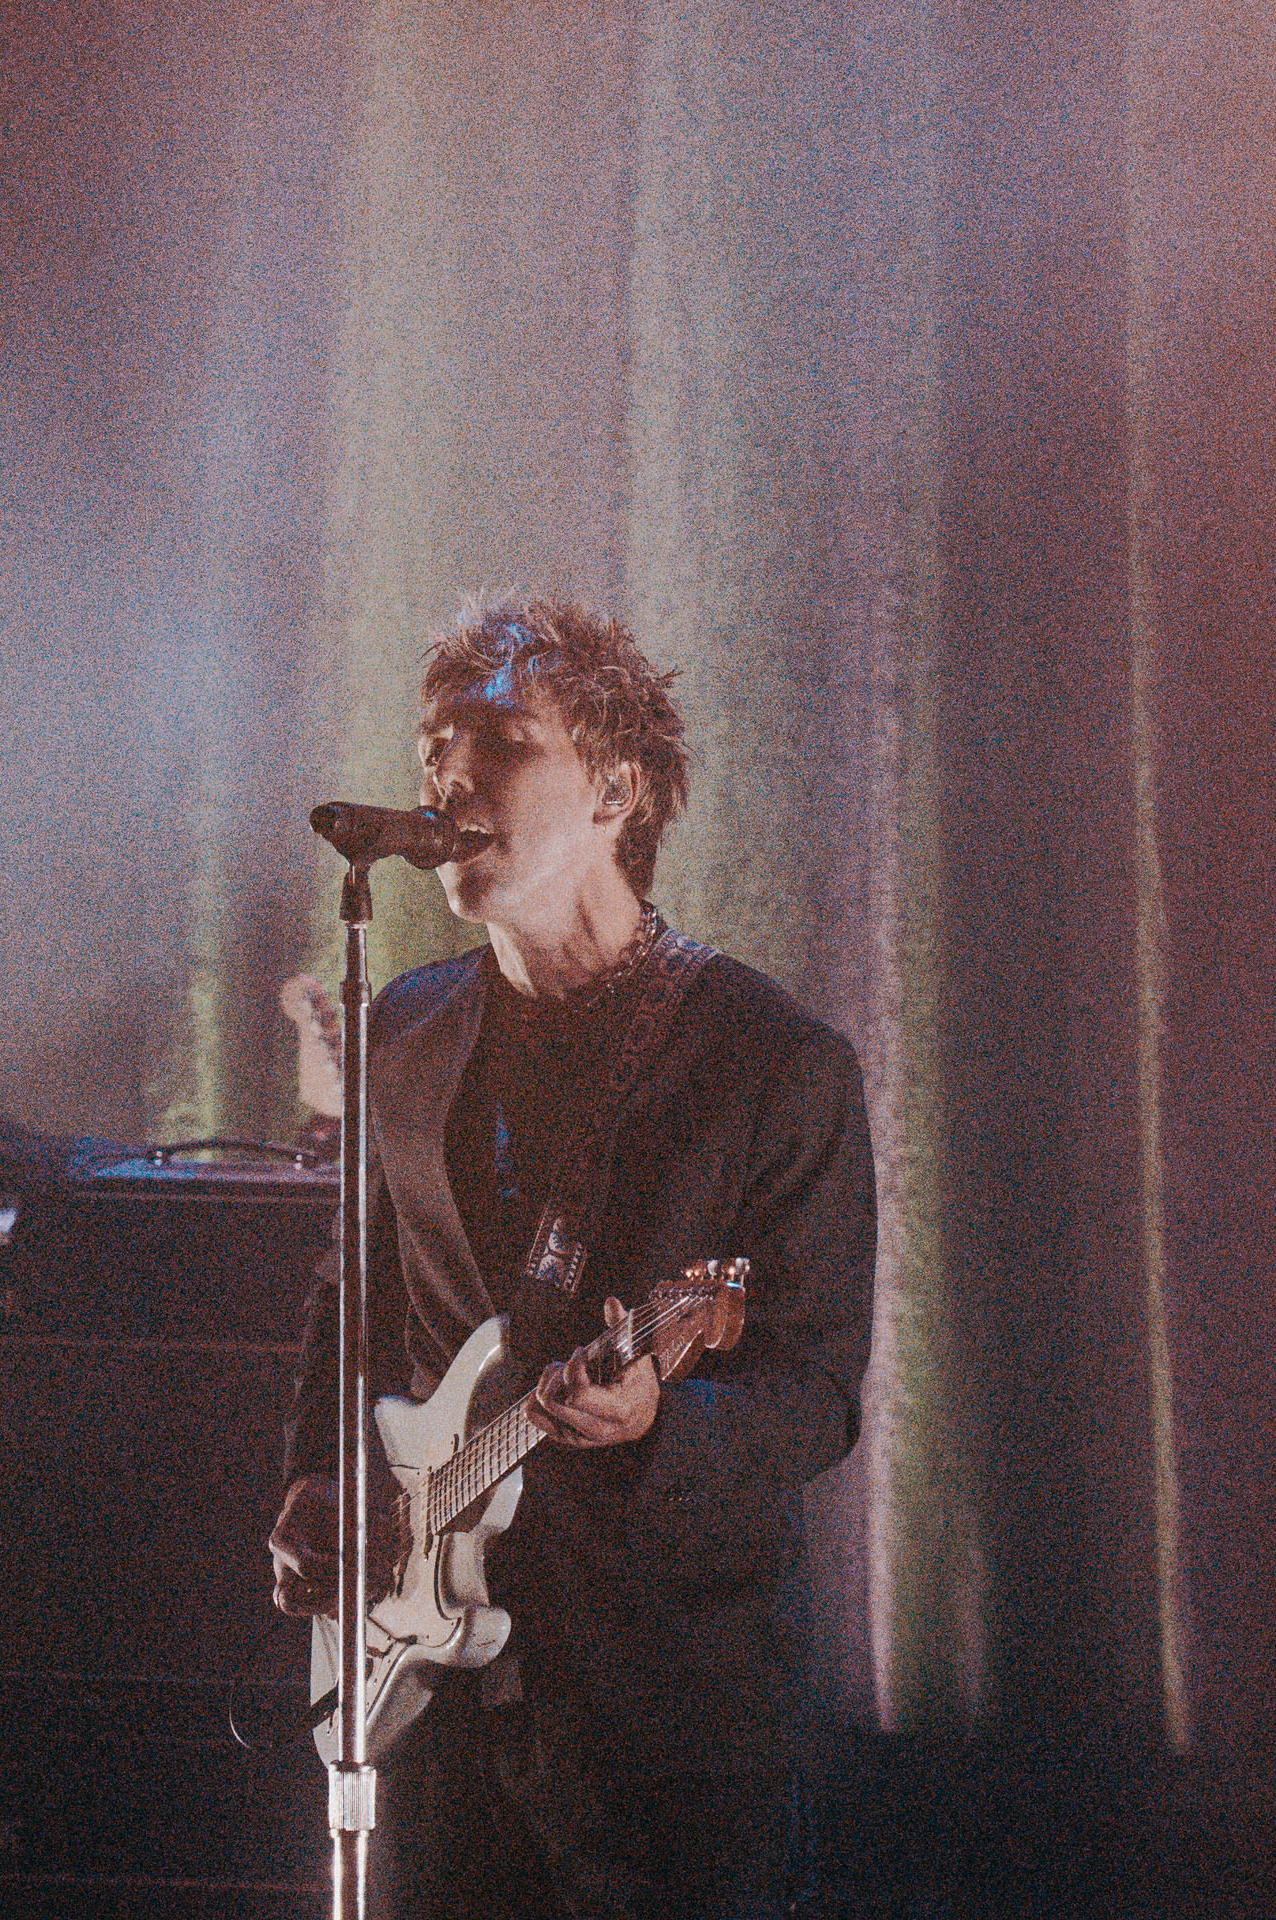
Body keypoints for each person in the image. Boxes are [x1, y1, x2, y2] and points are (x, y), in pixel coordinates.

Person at [269, 599, 876, 1919]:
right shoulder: (408, 1028)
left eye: (495, 739)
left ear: (615, 789)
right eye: (433, 746)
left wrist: (659, 1420)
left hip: (661, 1713)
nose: (447, 776)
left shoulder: (768, 1063)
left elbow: (816, 1393)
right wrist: (318, 1476)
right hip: (430, 1702)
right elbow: (350, 1297)